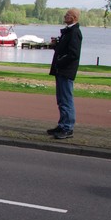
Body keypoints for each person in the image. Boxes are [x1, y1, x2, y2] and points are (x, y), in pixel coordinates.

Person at [47, 8, 82, 139]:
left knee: (66, 99)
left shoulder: (74, 32)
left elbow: (73, 54)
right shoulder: (68, 32)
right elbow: (64, 49)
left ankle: (68, 127)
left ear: (74, 17)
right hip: (61, 70)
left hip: (66, 71)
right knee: (61, 99)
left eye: (67, 15)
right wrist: (56, 46)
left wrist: (60, 61)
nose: (65, 16)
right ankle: (62, 125)